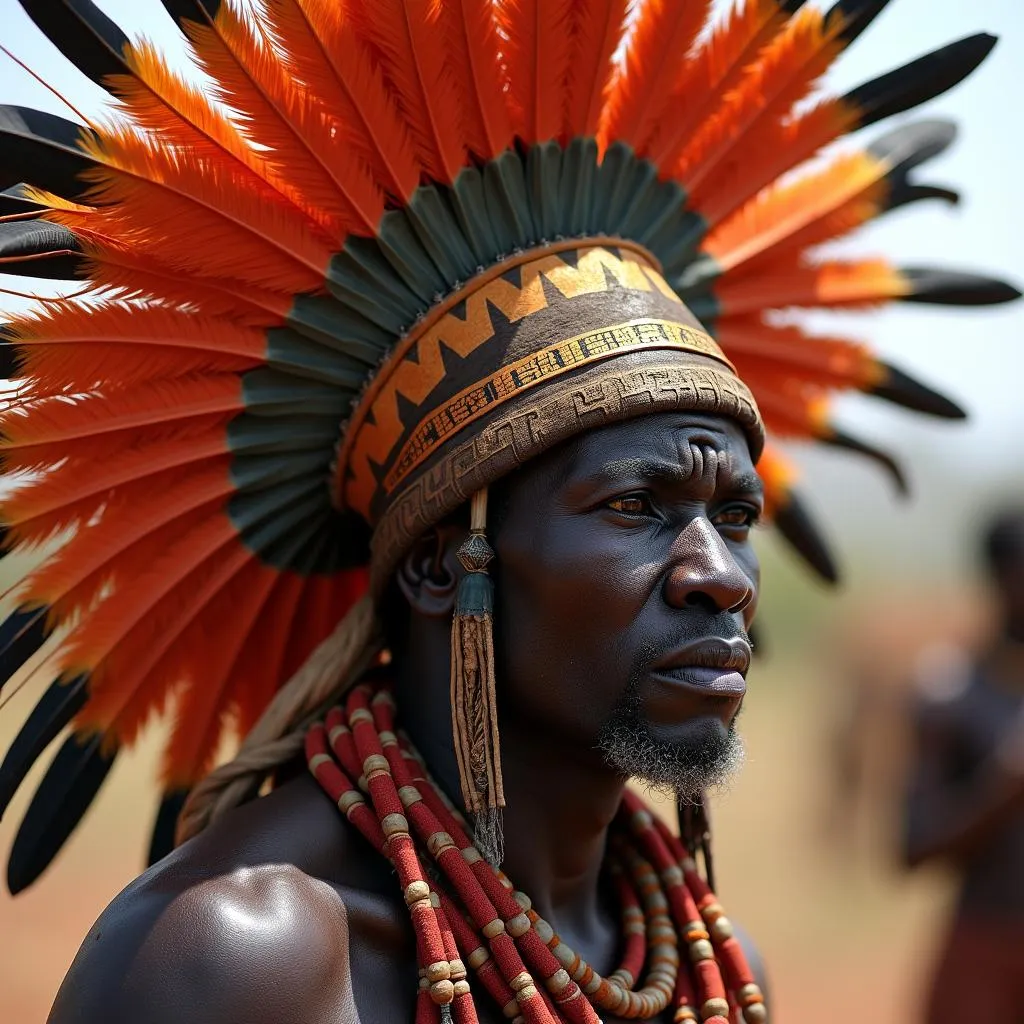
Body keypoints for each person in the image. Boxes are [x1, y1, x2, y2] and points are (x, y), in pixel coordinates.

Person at [0, 1, 1016, 1021]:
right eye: (636, 504)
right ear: (441, 563)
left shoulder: (708, 963)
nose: (722, 574)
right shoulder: (240, 964)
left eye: (736, 515)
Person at [903, 510, 1024, 1024]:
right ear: (1002, 578)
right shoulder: (951, 694)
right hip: (985, 948)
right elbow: (912, 847)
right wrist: (1005, 787)